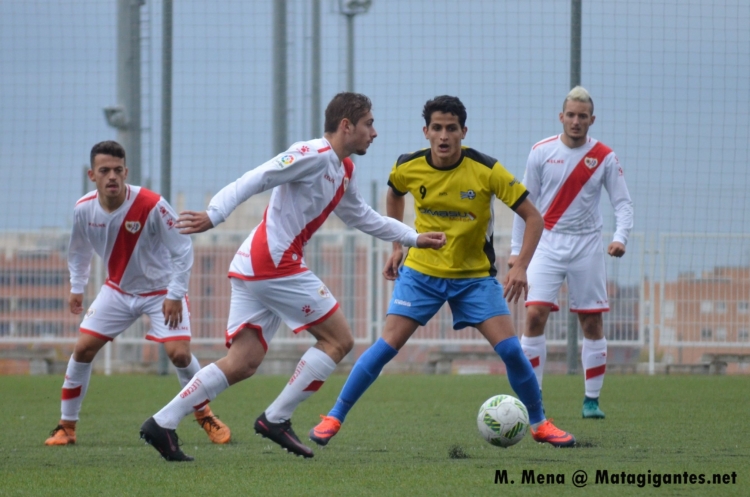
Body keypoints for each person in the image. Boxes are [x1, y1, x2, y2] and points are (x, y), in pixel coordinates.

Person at [139, 92, 446, 461]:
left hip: (256, 265)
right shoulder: (311, 154)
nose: (374, 133)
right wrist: (214, 214)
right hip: (273, 262)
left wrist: (412, 237)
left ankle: (163, 422)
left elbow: (362, 216)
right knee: (339, 340)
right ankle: (276, 418)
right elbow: (259, 176)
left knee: (243, 363)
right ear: (346, 126)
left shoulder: (344, 169)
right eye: (369, 124)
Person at [310, 95, 576, 449]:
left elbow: (534, 217)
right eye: (437, 128)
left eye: (452, 128)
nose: (444, 135)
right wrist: (397, 247)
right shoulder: (408, 166)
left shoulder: (487, 170)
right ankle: (334, 416)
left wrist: (521, 265)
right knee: (386, 347)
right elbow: (394, 195)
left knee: (512, 351)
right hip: (422, 274)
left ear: (464, 131)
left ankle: (540, 423)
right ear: (426, 132)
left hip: (474, 279)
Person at [45, 140, 231, 447]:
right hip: (117, 290)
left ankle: (204, 414)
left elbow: (183, 249)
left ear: (126, 171)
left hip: (162, 292)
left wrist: (175, 293)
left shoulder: (151, 204)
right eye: (104, 171)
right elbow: (78, 251)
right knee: (83, 349)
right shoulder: (83, 209)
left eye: (118, 170)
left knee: (180, 354)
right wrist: (77, 287)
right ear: (93, 175)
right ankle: (67, 427)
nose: (112, 176)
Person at [509, 86, 634, 419]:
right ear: (561, 117)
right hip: (546, 242)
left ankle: (591, 400)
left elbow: (622, 202)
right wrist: (514, 252)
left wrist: (620, 237)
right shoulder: (540, 152)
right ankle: (533, 399)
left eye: (583, 116)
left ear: (592, 119)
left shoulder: (605, 156)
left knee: (591, 322)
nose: (576, 121)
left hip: (587, 245)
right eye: (571, 115)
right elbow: (524, 205)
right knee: (534, 315)